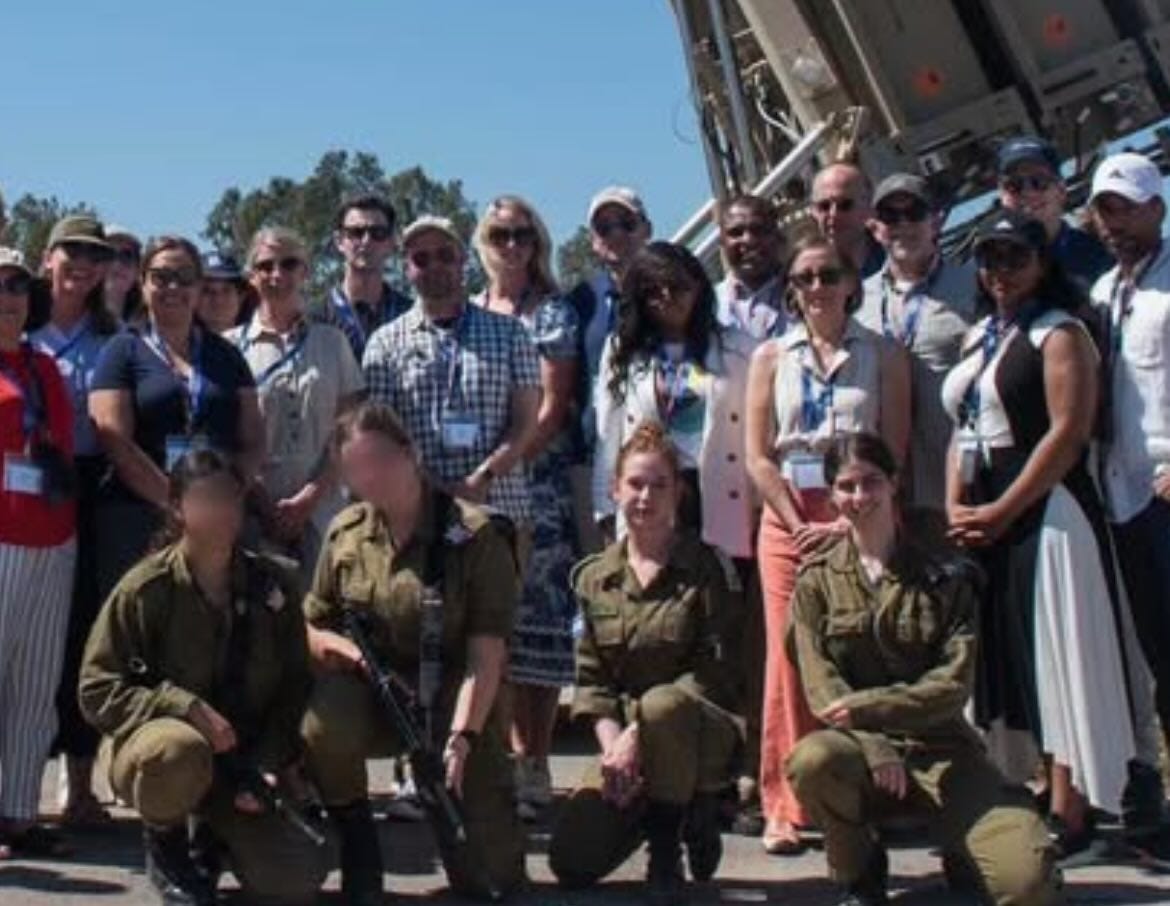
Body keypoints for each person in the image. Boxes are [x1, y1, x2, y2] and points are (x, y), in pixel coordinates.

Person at [786, 432, 1061, 906]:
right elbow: (822, 688)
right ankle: (860, 869)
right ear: (831, 496)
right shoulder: (814, 584)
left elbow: (953, 685)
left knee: (1028, 885)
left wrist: (871, 707)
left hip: (945, 752)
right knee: (813, 761)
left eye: (871, 482)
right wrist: (875, 746)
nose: (859, 497)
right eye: (847, 486)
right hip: (856, 756)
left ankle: (966, 855)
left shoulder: (943, 575)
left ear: (895, 484)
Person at [941, 210, 1136, 857]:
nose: (999, 271)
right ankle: (1020, 793)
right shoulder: (981, 338)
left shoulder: (1060, 333)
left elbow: (1065, 434)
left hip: (1045, 510)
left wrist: (1002, 511)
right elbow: (961, 428)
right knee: (1011, 659)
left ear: (1042, 262)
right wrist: (957, 506)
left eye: (1014, 258)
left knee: (1058, 658)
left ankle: (1071, 808)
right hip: (985, 511)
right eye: (989, 259)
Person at [300, 402, 525, 903]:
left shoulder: (474, 536)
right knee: (324, 722)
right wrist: (353, 658)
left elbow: (486, 655)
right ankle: (358, 840)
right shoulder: (345, 535)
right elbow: (312, 624)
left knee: (491, 879)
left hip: (453, 696)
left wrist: (463, 737)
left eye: (381, 460)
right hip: (375, 694)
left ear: (411, 453)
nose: (371, 476)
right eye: (357, 468)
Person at [79, 449, 325, 905]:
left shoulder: (271, 583)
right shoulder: (146, 589)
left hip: (243, 761)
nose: (224, 513)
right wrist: (183, 706)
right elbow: (97, 688)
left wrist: (272, 762)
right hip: (163, 750)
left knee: (296, 879)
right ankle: (166, 844)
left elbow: (295, 684)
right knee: (176, 750)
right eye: (208, 500)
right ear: (177, 507)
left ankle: (213, 837)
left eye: (231, 500)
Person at [745, 235, 910, 854]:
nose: (817, 286)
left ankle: (860, 792)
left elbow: (894, 447)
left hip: (862, 507)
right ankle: (785, 801)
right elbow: (759, 455)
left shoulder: (884, 354)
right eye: (805, 277)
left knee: (861, 650)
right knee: (790, 657)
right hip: (790, 514)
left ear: (850, 282)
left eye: (828, 274)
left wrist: (852, 520)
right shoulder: (771, 357)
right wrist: (795, 520)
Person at [549, 421, 742, 903]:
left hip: (703, 735)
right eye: (635, 484)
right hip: (632, 743)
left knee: (661, 707)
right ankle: (670, 809)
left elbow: (716, 675)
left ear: (679, 493)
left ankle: (667, 848)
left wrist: (637, 733)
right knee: (571, 862)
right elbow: (591, 679)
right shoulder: (595, 578)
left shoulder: (708, 568)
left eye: (660, 485)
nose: (646, 497)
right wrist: (614, 752)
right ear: (615, 489)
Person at [472, 195, 579, 820]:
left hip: (533, 487)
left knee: (537, 631)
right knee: (491, 626)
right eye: (499, 234)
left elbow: (552, 403)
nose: (511, 245)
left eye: (522, 235)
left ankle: (534, 760)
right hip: (477, 489)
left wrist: (502, 465)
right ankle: (498, 759)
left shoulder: (553, 314)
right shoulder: (472, 311)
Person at [89, 236, 264, 601]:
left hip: (218, 521)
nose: (173, 287)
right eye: (161, 276)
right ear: (142, 281)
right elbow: (113, 438)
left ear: (199, 287)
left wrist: (225, 500)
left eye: (184, 277)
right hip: (138, 519)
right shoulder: (121, 350)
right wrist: (175, 505)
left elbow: (253, 438)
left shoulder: (226, 355)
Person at [29, 216, 121, 828]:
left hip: (93, 488)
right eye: (73, 251)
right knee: (25, 638)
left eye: (96, 254)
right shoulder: (20, 325)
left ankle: (79, 785)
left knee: (82, 637)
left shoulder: (113, 337)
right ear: (48, 257)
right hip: (27, 490)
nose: (83, 263)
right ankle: (18, 788)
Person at [363, 215, 540, 531]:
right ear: (407, 268)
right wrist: (438, 489)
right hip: (417, 515)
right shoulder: (383, 343)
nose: (434, 266)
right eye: (421, 258)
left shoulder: (511, 333)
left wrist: (482, 477)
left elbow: (525, 422)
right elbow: (384, 433)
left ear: (463, 261)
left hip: (500, 507)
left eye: (445, 255)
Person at [1088, 151, 1170, 829]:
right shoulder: (1104, 295)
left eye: (1123, 207)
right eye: (1102, 210)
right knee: (1156, 655)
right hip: (1123, 495)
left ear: (1157, 209)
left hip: (1166, 491)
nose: (1111, 222)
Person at [593, 241, 756, 556]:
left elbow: (757, 436)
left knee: (724, 596)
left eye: (678, 286)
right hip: (651, 492)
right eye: (654, 290)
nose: (667, 297)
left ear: (699, 287)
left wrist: (761, 505)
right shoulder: (621, 351)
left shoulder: (740, 347)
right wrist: (605, 509)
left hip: (719, 492)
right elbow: (608, 434)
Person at [0, 246, 77, 860]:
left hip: (53, 536)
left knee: (34, 681)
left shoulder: (42, 365)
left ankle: (18, 810)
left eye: (17, 287)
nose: (9, 298)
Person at [231, 227, 363, 575]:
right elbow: (226, 439)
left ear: (306, 271)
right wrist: (262, 502)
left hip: (324, 511)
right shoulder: (228, 348)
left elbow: (349, 430)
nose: (278, 274)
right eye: (265, 266)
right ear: (251, 277)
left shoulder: (333, 343)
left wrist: (310, 497)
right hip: (251, 513)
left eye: (289, 264)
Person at [858, 174, 977, 525]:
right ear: (875, 227)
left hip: (958, 481)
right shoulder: (856, 300)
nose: (903, 225)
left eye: (914, 213)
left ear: (936, 220)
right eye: (891, 217)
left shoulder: (974, 285)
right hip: (884, 490)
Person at [566, 186, 653, 551]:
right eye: (605, 228)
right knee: (603, 569)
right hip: (594, 453)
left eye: (626, 224)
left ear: (646, 229)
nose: (616, 234)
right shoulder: (580, 300)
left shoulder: (669, 289)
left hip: (654, 454)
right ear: (594, 242)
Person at [996, 136, 1113, 294]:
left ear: (1061, 190)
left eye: (1039, 182)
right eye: (1014, 186)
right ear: (1002, 196)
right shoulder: (991, 268)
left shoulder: (1101, 257)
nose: (1028, 192)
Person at [316, 193, 412, 360]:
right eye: (356, 233)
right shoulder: (314, 318)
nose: (367, 241)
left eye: (378, 233)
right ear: (339, 241)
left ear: (391, 242)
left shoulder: (410, 315)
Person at [714, 194, 788, 341]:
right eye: (736, 233)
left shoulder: (806, 294)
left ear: (778, 237)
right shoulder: (710, 305)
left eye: (758, 230)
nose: (748, 240)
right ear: (721, 242)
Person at [810, 162, 885, 281]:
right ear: (813, 212)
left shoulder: (897, 261)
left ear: (869, 209)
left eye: (845, 205)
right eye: (824, 206)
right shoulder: (806, 275)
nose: (833, 214)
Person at [198, 251, 255, 335]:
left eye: (226, 290)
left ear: (241, 297)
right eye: (207, 290)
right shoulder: (176, 344)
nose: (218, 300)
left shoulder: (264, 343)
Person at [102, 224, 143, 323]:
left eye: (127, 256)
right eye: (108, 254)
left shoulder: (146, 331)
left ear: (137, 270)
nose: (117, 264)